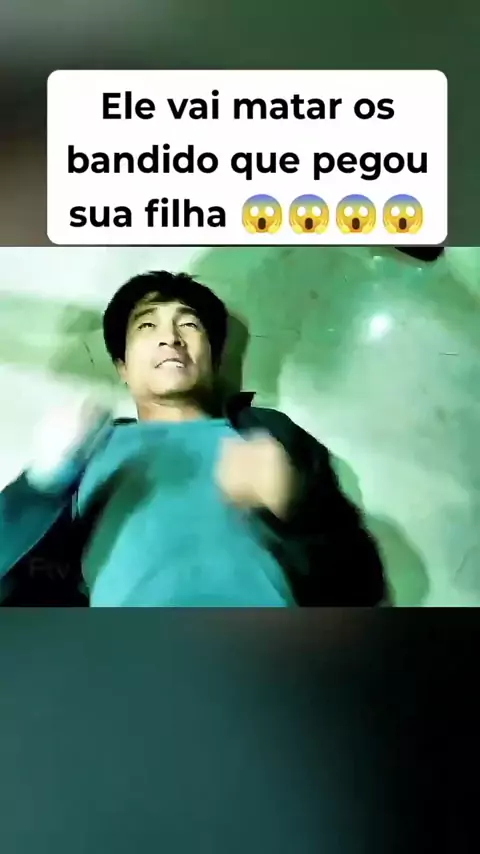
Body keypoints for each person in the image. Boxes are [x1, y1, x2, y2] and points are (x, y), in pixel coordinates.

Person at [0, 270, 388, 607]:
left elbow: (363, 586)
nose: (170, 337)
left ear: (213, 359)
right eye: (146, 326)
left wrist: (297, 510)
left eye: (189, 324)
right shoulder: (88, 451)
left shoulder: (269, 435)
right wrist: (41, 486)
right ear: (123, 367)